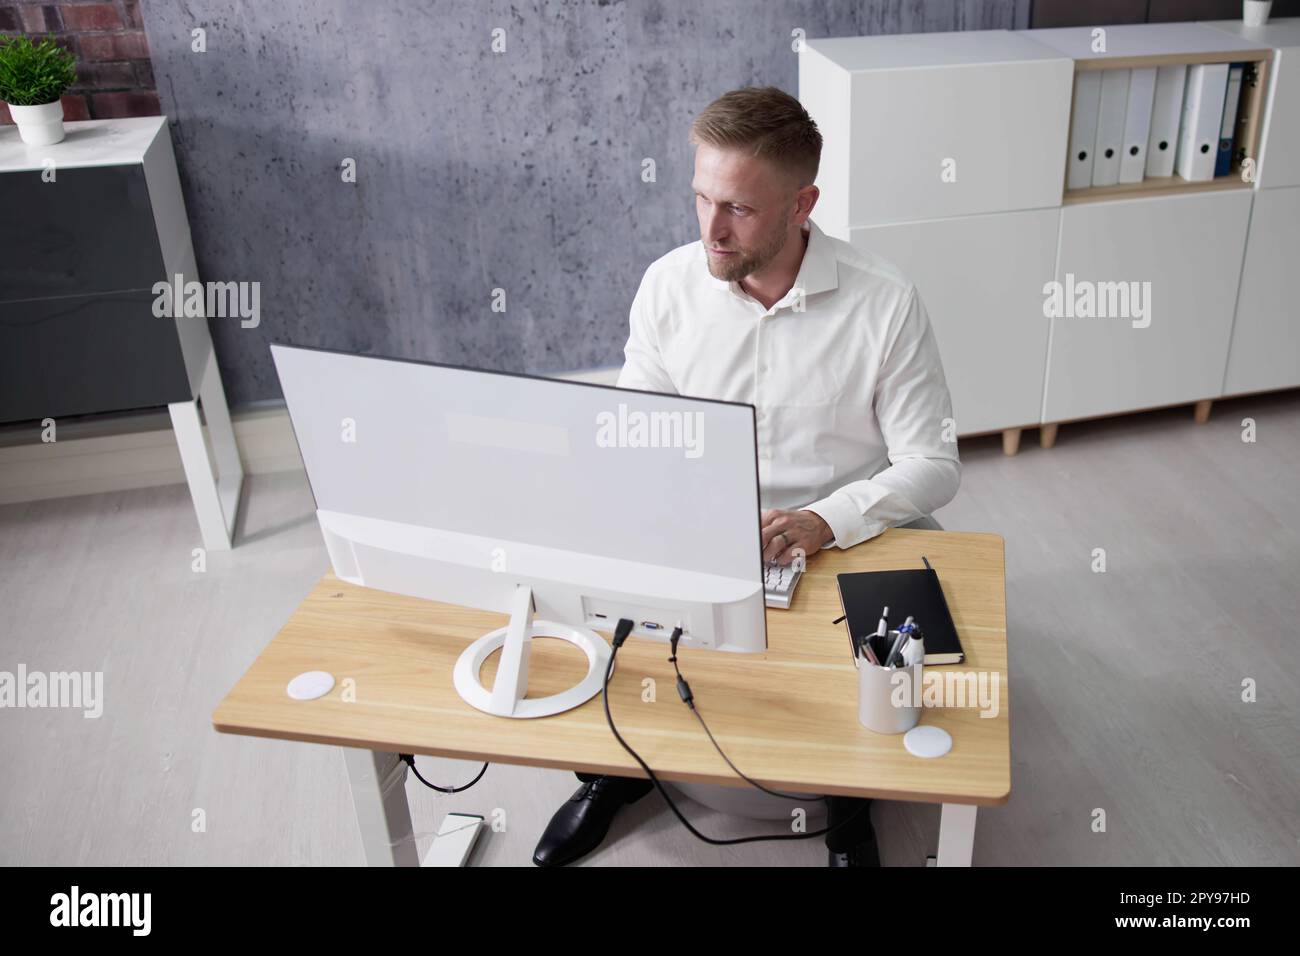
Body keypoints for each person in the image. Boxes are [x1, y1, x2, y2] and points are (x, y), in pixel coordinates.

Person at [533, 86, 960, 867]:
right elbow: (635, 428)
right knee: (585, 605)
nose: (712, 230)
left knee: (887, 660)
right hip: (699, 520)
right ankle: (613, 773)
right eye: (700, 199)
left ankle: (846, 806)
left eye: (738, 208)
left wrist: (826, 520)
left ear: (804, 203)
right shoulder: (669, 284)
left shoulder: (885, 302)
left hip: (845, 533)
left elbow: (933, 463)